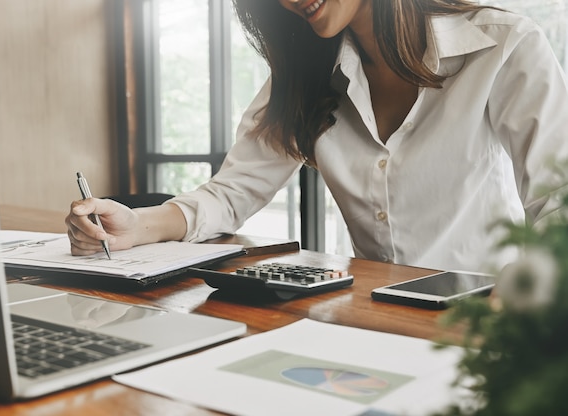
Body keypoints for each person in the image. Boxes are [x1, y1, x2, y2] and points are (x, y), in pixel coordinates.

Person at [66, 0, 568, 273]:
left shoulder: (504, 45)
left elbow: (558, 203)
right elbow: (232, 190)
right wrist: (136, 226)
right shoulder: (304, 72)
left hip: (487, 318)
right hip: (373, 317)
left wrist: (528, 299)